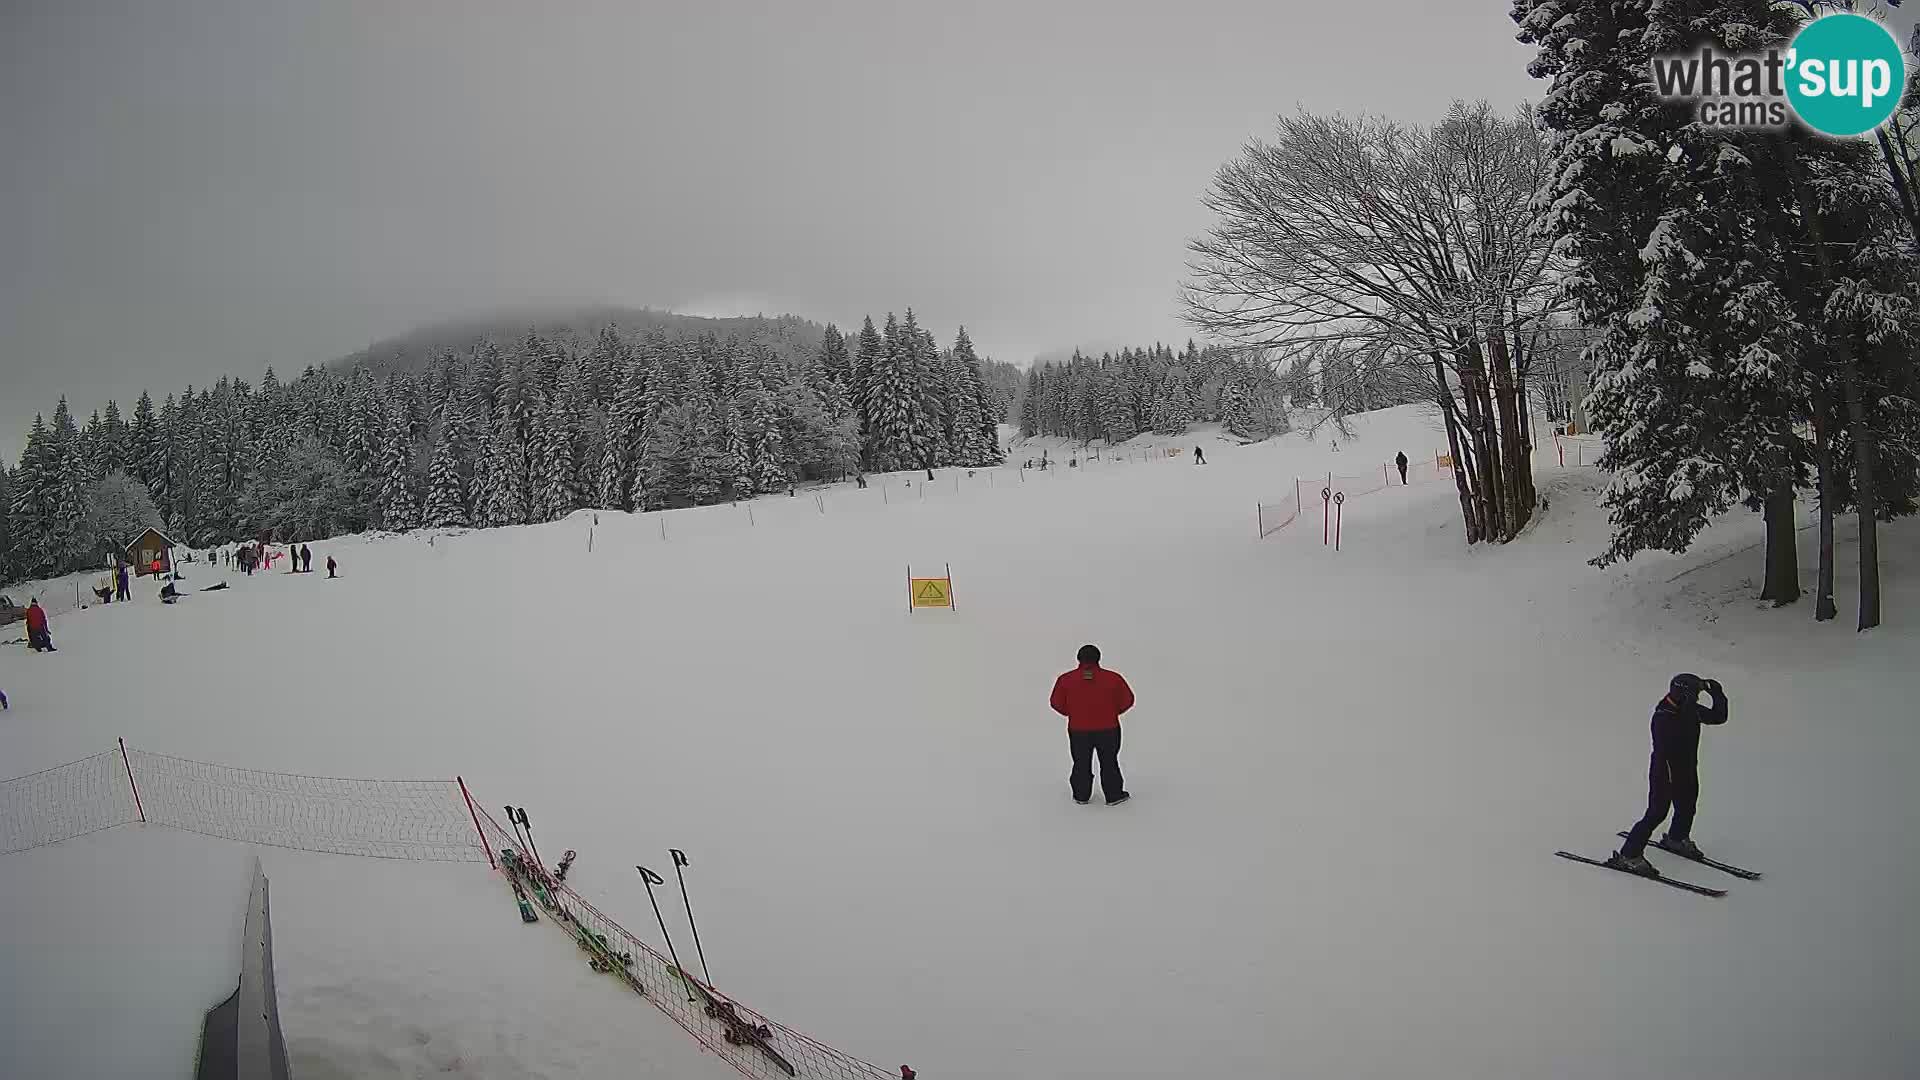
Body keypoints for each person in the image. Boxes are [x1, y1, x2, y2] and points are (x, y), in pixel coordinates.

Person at [1607, 674, 1729, 876]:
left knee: (1687, 805)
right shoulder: (1663, 716)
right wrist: (1674, 780)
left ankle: (1677, 838)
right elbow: (1667, 750)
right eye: (1694, 694)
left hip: (1687, 767)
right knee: (1657, 812)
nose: (1697, 699)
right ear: (1683, 694)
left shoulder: (1689, 710)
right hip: (1665, 772)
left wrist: (1717, 694)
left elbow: (1718, 717)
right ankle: (1629, 855)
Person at [1049, 644, 1135, 805]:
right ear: (1098, 658)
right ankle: (1114, 795)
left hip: (1078, 730)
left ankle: (1081, 795)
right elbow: (1128, 700)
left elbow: (1056, 703)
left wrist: (1073, 713)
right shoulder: (1114, 678)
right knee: (1109, 761)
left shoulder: (1065, 680)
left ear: (1078, 659)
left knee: (1081, 761)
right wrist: (1111, 712)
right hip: (1109, 729)